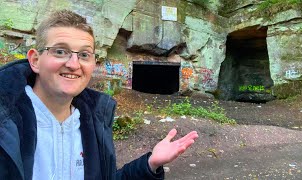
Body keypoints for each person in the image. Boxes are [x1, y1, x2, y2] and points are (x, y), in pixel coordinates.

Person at [0, 10, 198, 180]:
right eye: (60, 51)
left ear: (94, 62)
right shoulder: (5, 123)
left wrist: (149, 165)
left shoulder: (95, 120)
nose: (73, 64)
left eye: (84, 54)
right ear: (35, 60)